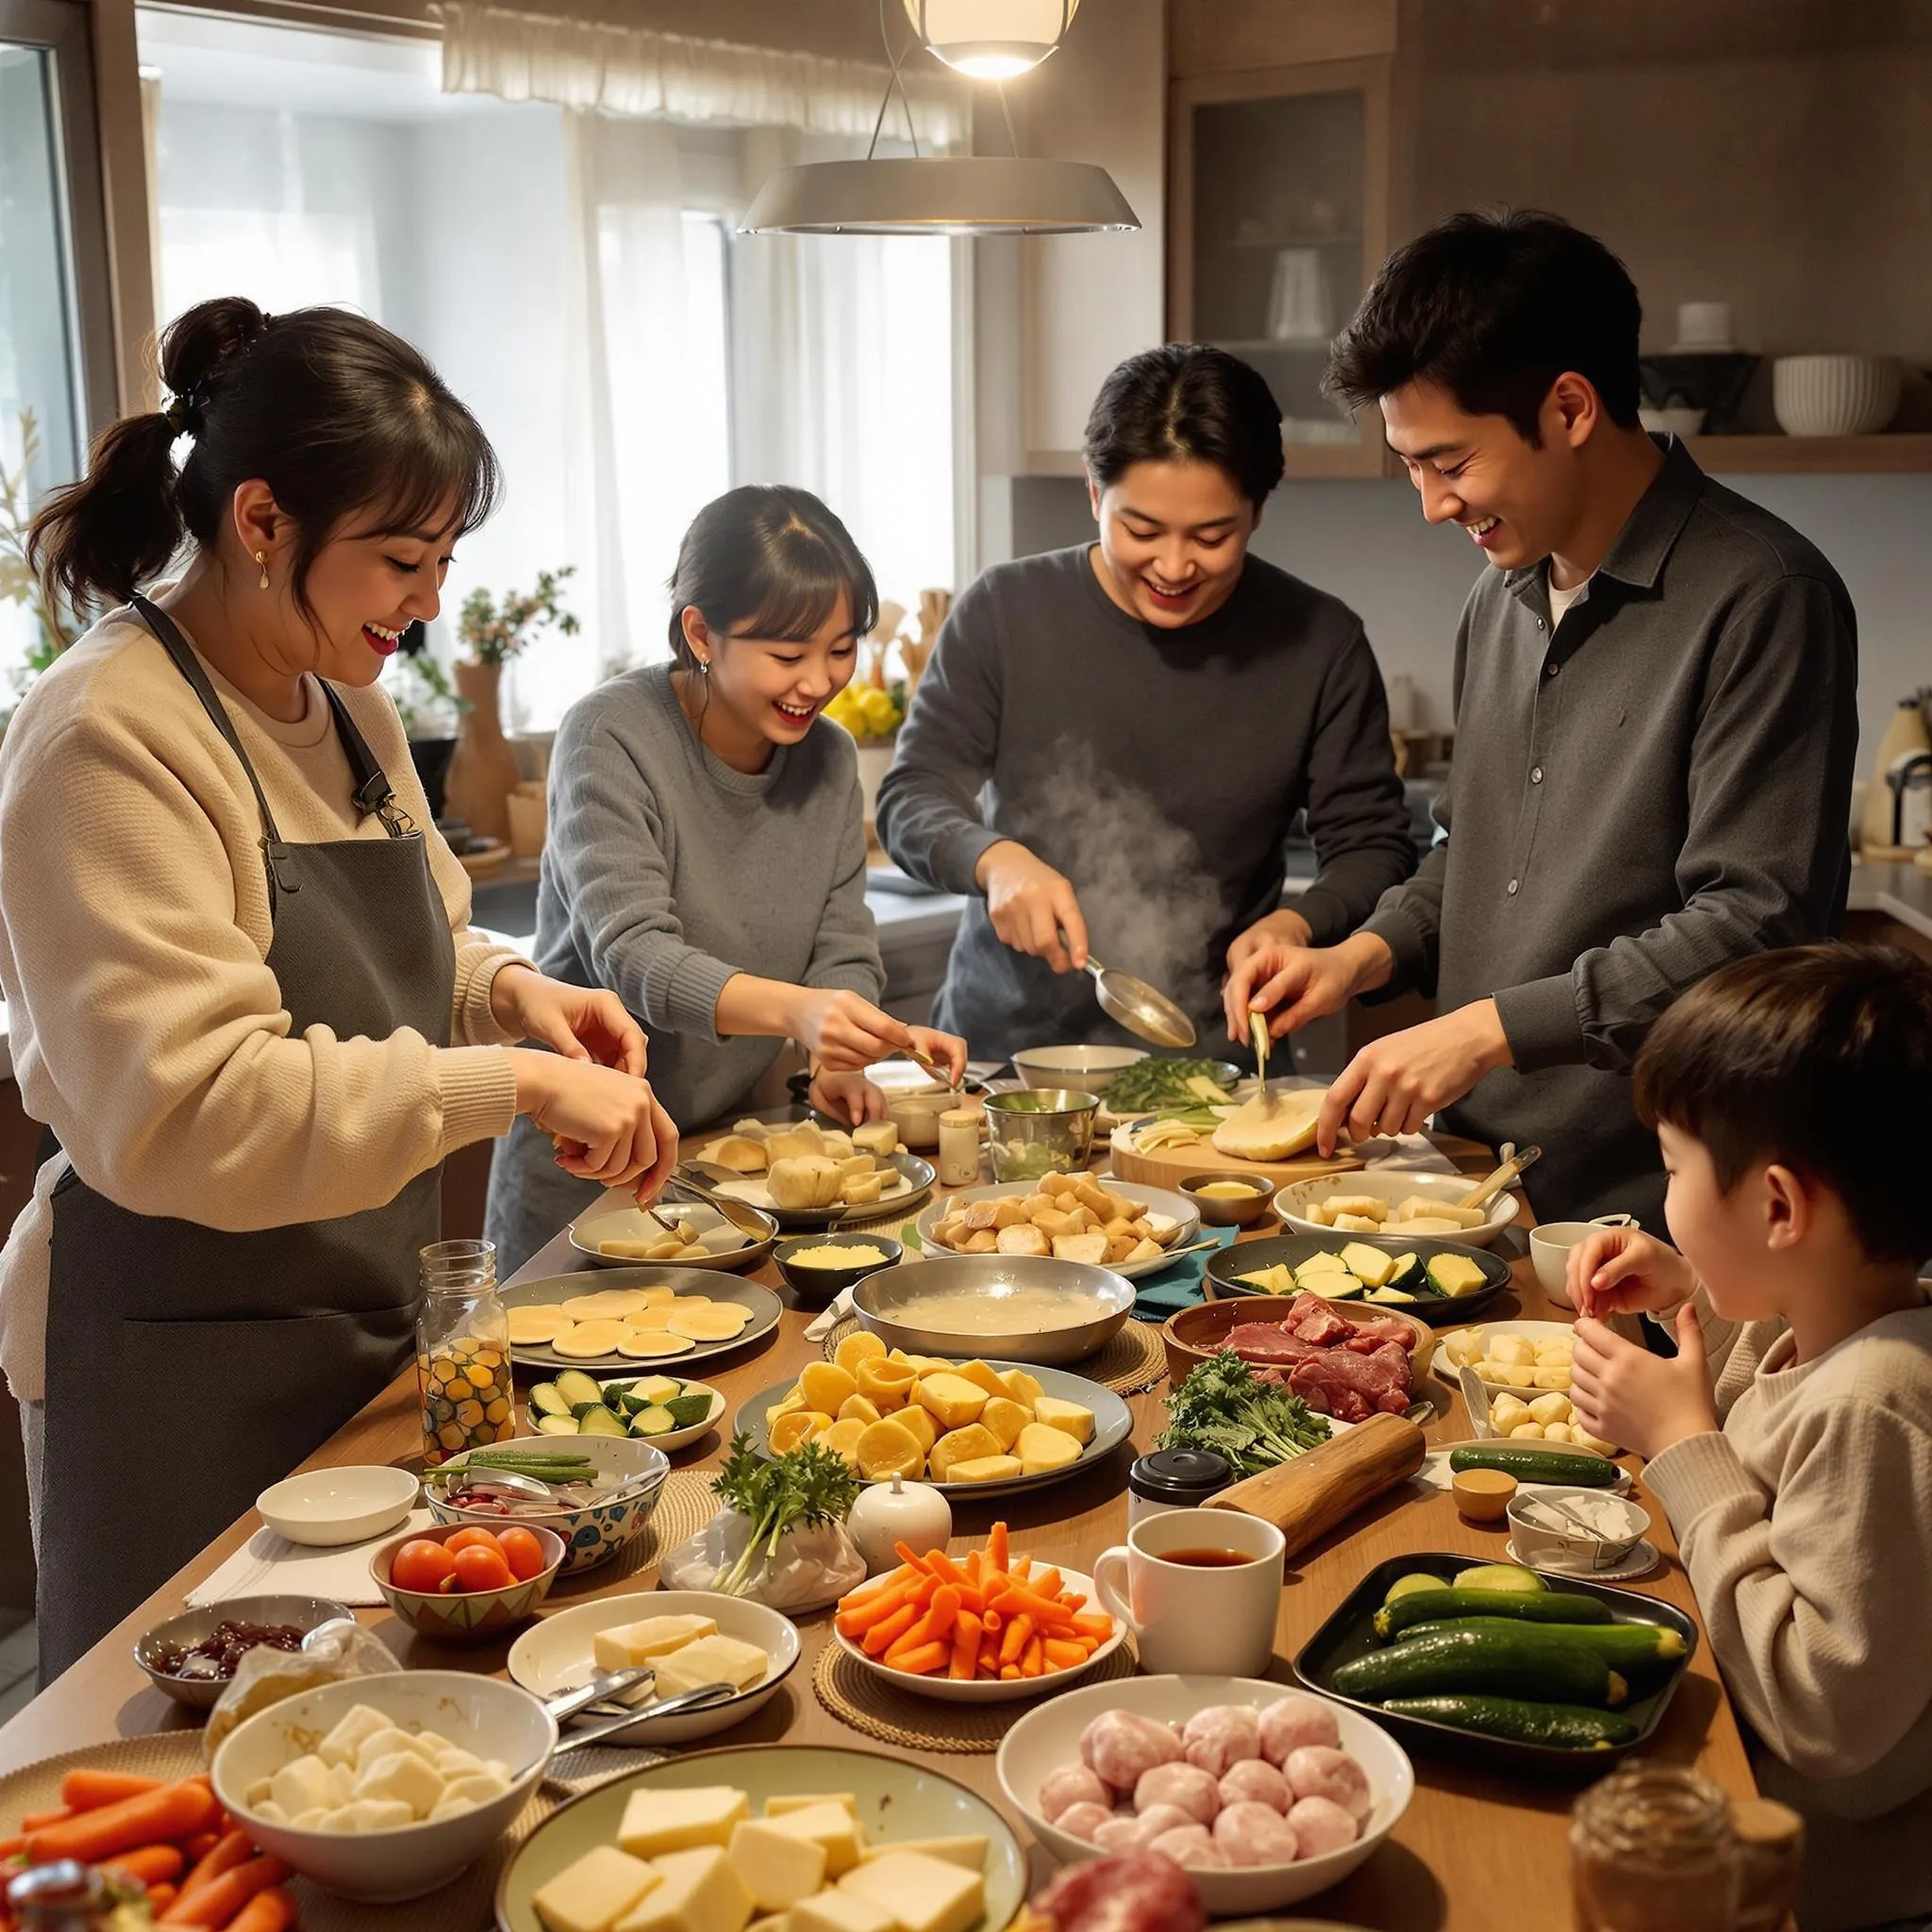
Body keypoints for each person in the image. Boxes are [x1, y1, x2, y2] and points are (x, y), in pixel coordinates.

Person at [0, 298, 677, 1680]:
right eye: (402, 560)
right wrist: (521, 1082)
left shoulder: (347, 701)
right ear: (261, 523)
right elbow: (193, 1102)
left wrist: (511, 1000)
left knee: (365, 1727)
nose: (427, 604)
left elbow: (418, 945)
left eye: (442, 560)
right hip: (175, 1356)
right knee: (181, 1764)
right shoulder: (104, 737)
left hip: (354, 1317)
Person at [1225, 210, 1858, 1227]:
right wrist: (1362, 954)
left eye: (1450, 462)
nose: (1431, 504)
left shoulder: (1761, 593)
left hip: (1650, 1209)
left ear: (1567, 407)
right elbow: (1470, 851)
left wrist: (1484, 1029)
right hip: (1471, 1183)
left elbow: (1751, 926)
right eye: (1410, 466)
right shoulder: (1501, 592)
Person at [876, 343, 1416, 1060]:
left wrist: (1301, 922)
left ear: (1258, 511)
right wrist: (994, 859)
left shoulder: (1321, 642)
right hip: (1000, 1067)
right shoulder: (1005, 611)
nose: (1172, 566)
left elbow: (1374, 846)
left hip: (1209, 1072)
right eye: (1141, 530)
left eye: (1211, 536)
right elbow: (911, 796)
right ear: (1095, 494)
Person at [485, 485, 966, 1274]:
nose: (818, 681)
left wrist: (838, 1058)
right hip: (590, 1166)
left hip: (731, 1168)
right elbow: (634, 956)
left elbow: (843, 943)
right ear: (700, 632)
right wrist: (801, 1014)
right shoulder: (611, 734)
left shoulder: (831, 756)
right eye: (787, 654)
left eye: (841, 649)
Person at [1563, 945, 1932, 1932]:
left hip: (1807, 1880)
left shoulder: (1878, 1403)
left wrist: (1680, 1443)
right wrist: (1697, 1294)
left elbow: (1824, 1717)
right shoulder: (1854, 1330)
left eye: (1671, 1167)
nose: (1663, 1196)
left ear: (1775, 1205)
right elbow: (1780, 1405)